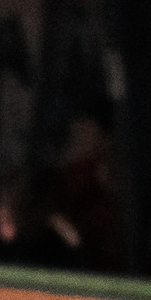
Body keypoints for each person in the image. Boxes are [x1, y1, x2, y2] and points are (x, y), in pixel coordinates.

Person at [49, 100, 126, 273]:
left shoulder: (127, 186)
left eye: (85, 132)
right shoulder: (70, 176)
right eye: (76, 133)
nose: (77, 138)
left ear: (107, 138)